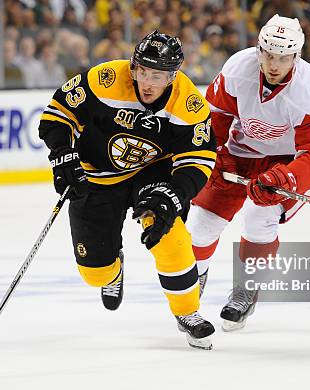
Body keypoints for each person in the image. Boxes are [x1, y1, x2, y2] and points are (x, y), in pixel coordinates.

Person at [38, 31, 217, 349]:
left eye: (158, 75)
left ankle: (188, 312)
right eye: (144, 71)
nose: (148, 82)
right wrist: (62, 155)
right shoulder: (104, 79)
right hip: (96, 176)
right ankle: (112, 270)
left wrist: (172, 196)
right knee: (95, 274)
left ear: (172, 76)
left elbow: (198, 161)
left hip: (151, 173)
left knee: (167, 232)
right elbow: (56, 115)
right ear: (134, 67)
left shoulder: (188, 104)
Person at [187, 15, 310, 331]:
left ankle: (246, 288)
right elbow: (213, 117)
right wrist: (214, 156)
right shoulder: (236, 69)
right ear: (258, 49)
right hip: (238, 153)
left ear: (296, 56)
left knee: (259, 218)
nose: (274, 64)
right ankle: (190, 286)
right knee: (202, 223)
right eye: (268, 55)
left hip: (286, 164)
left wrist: (285, 179)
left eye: (283, 58)